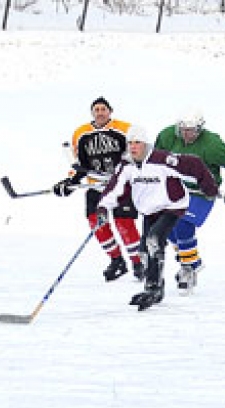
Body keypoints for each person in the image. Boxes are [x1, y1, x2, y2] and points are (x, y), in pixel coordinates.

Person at [97, 125, 218, 311]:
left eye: (137, 142)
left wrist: (209, 188)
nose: (133, 147)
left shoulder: (162, 159)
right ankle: (155, 287)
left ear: (145, 144)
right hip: (149, 210)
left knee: (155, 240)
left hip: (172, 207)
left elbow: (193, 164)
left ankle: (153, 287)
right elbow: (114, 188)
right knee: (145, 250)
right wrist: (103, 208)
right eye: (130, 143)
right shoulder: (126, 165)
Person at [153, 109, 225, 292]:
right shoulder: (166, 136)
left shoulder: (212, 144)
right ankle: (193, 261)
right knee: (166, 229)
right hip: (174, 190)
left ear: (200, 129)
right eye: (184, 130)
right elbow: (155, 159)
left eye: (192, 131)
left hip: (201, 193)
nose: (187, 134)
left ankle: (188, 268)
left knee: (182, 224)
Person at [52, 97, 144, 282]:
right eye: (96, 109)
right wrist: (69, 183)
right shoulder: (81, 133)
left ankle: (138, 262)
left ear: (110, 111)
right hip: (96, 186)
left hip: (121, 186)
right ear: (92, 112)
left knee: (124, 224)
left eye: (103, 109)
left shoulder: (125, 129)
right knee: (97, 224)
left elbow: (138, 155)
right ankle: (117, 260)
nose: (100, 112)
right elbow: (79, 164)